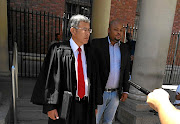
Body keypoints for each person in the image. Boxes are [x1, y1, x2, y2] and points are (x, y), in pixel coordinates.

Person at [31, 14, 102, 124]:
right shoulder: (58, 50)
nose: (88, 33)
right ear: (73, 31)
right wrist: (50, 107)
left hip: (86, 106)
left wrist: (95, 104)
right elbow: (50, 78)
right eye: (84, 30)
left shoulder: (91, 53)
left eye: (89, 30)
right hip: (65, 105)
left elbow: (95, 79)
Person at [91, 19, 131, 124]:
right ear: (109, 30)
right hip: (100, 92)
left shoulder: (125, 48)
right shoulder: (97, 44)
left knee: (108, 121)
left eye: (121, 30)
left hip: (115, 94)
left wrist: (125, 90)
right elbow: (92, 70)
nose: (119, 32)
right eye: (116, 29)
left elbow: (126, 71)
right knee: (93, 120)